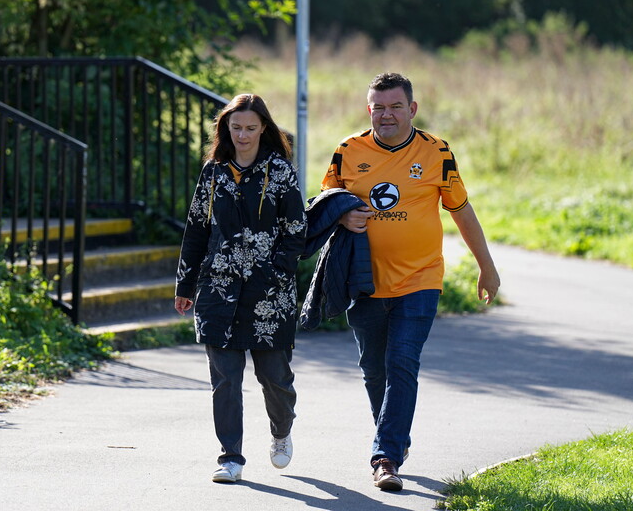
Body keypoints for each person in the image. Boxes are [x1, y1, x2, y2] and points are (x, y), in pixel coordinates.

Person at [318, 72, 500, 492]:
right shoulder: (347, 151)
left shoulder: (437, 152)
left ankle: (385, 456)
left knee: (402, 361)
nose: (386, 114)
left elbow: (461, 209)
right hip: (363, 282)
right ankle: (394, 436)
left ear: (412, 109)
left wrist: (486, 267)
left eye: (395, 106)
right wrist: (343, 215)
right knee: (373, 370)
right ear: (369, 110)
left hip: (421, 278)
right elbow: (323, 206)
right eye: (378, 107)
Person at [174, 93, 307, 484]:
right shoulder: (212, 172)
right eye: (236, 127)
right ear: (225, 128)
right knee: (225, 380)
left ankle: (281, 431)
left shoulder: (280, 171)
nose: (243, 135)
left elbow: (296, 231)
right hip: (217, 290)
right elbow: (196, 229)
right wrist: (186, 283)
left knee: (274, 378)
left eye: (251, 127)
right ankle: (230, 457)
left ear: (263, 127)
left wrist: (274, 270)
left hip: (270, 294)